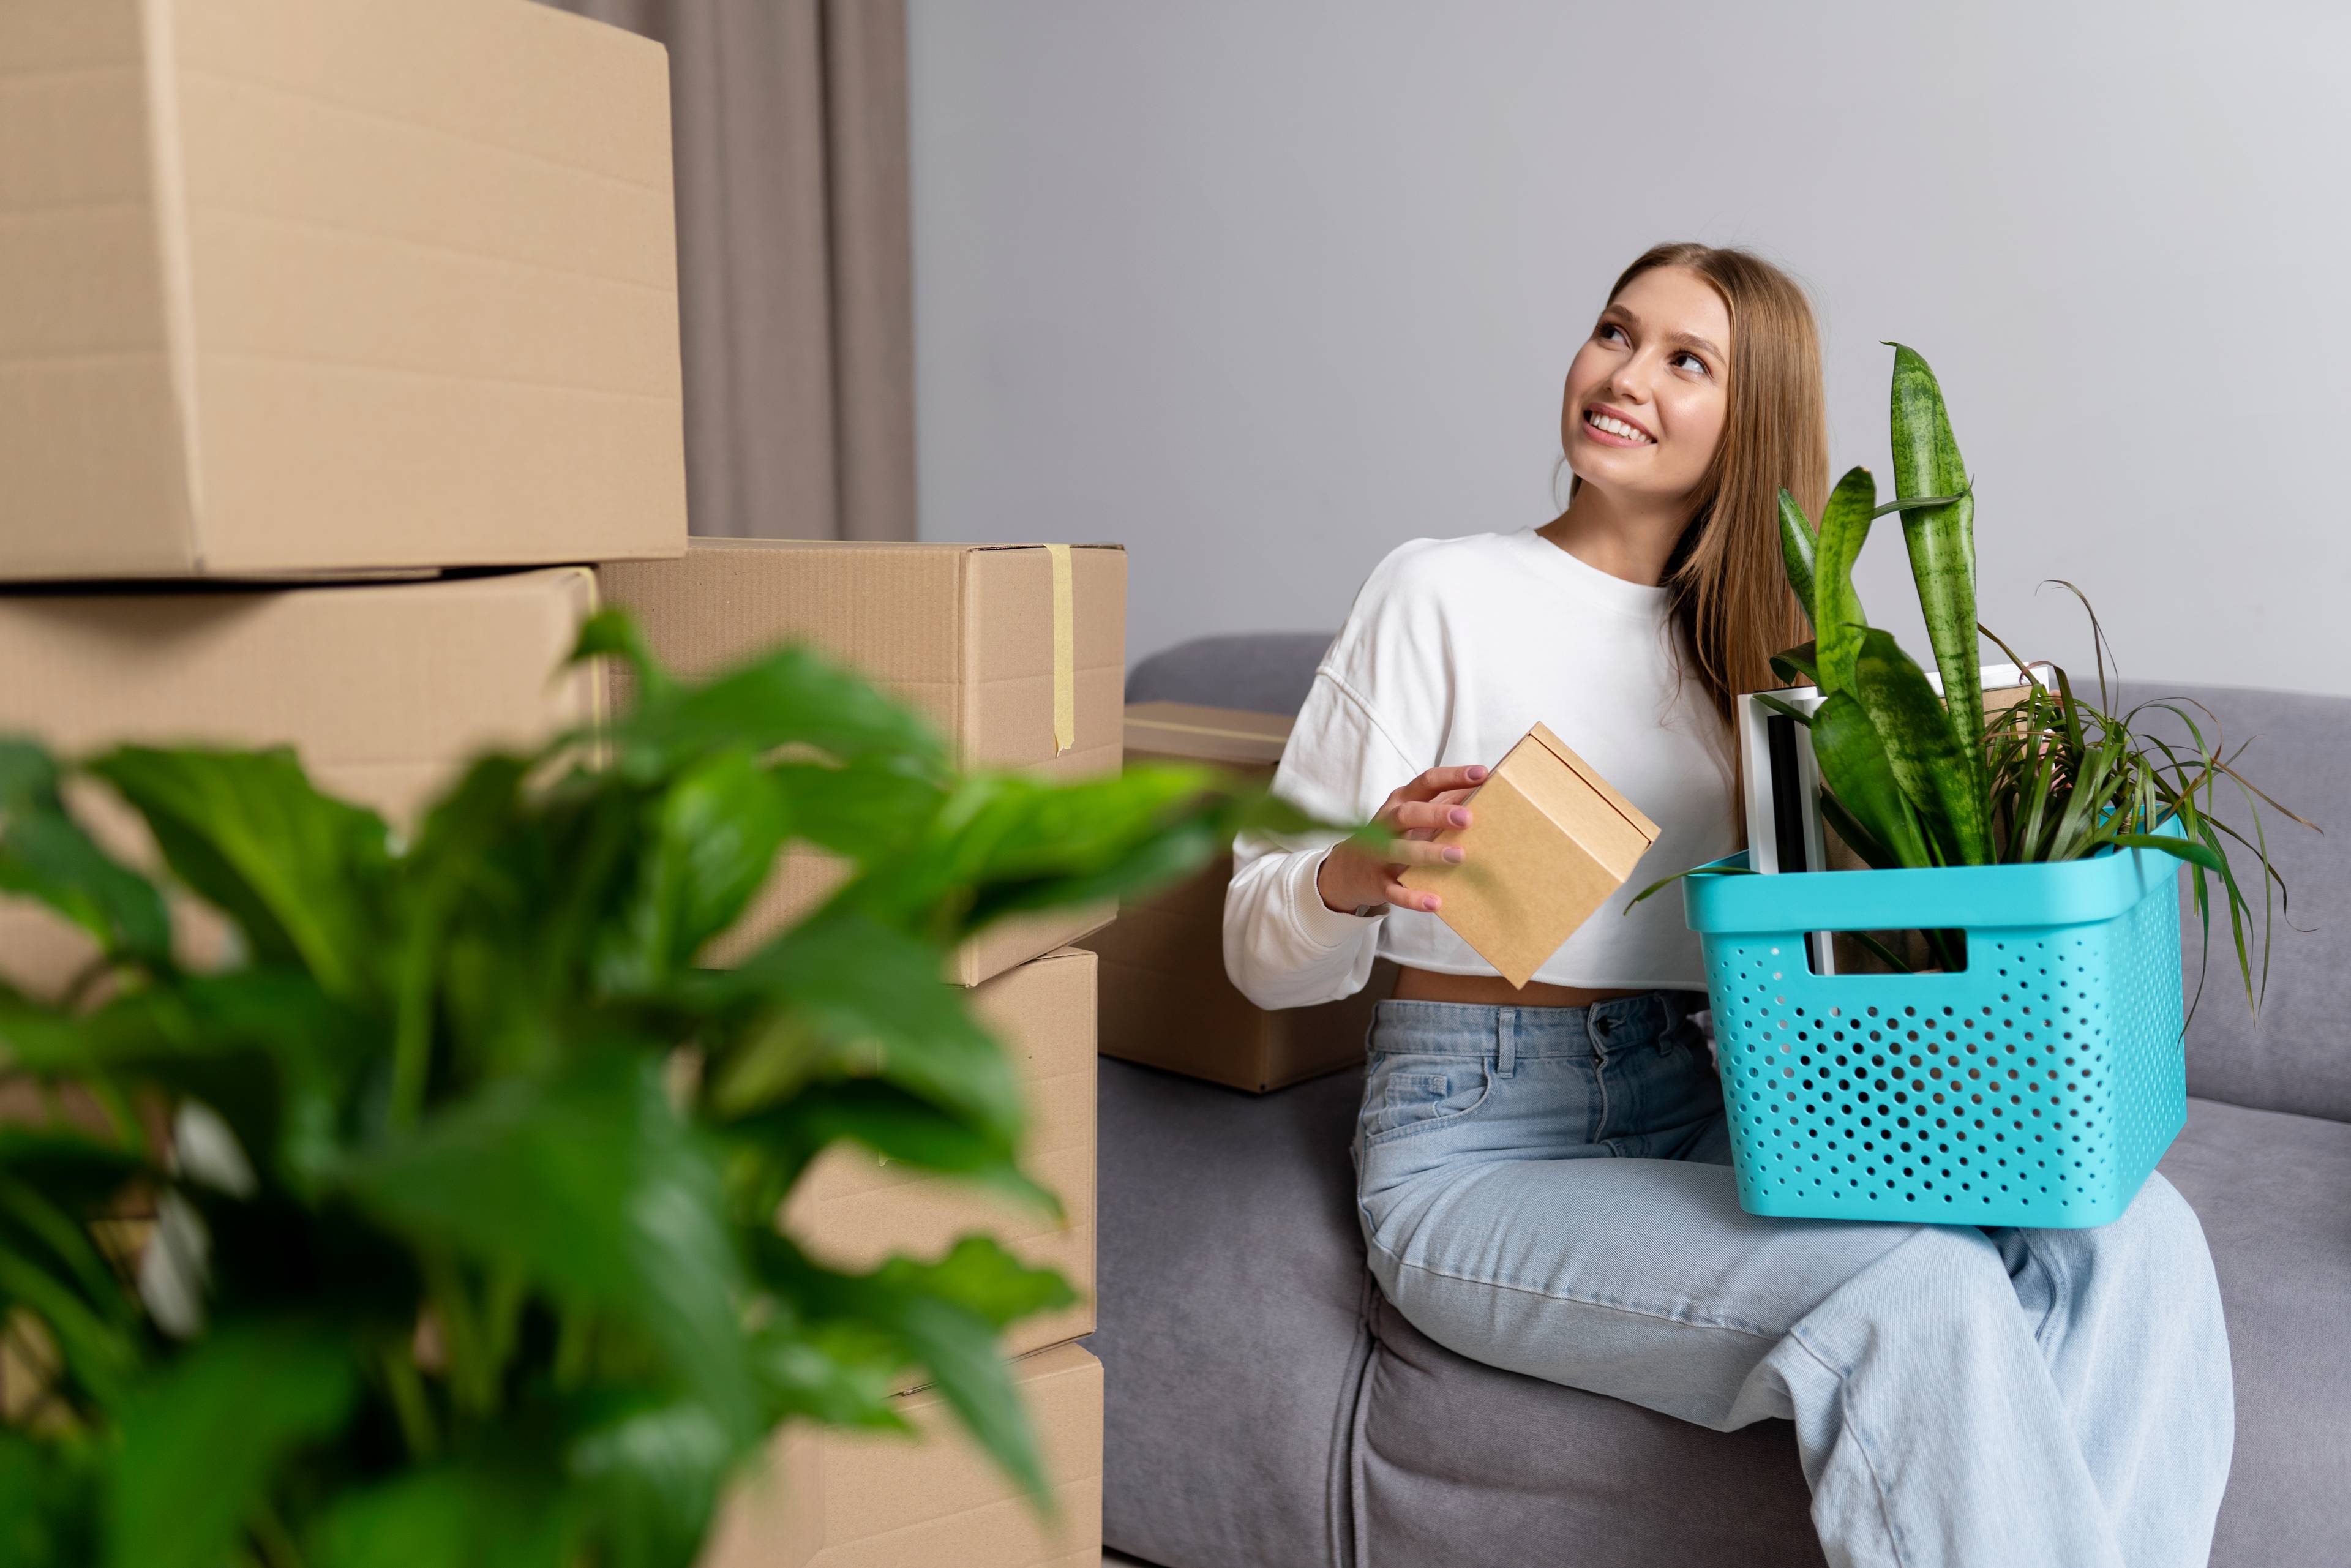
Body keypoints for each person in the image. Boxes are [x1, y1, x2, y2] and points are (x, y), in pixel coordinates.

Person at [1222, 242, 2233, 1567]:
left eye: (1684, 360)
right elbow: (1256, 954)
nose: (1624, 374)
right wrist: (1352, 876)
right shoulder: (1441, 592)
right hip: (1474, 1140)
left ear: (1745, 424)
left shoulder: (1777, 666)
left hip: (1721, 1103)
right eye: (1613, 332)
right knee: (1915, 1297)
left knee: (2132, 1232)